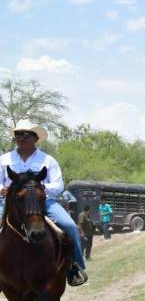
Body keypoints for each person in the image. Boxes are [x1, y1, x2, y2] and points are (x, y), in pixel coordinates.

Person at [0, 119, 88, 285]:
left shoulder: (48, 160)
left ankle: (75, 267)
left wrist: (38, 191)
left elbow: (58, 184)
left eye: (25, 135)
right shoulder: (4, 159)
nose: (21, 138)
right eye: (17, 135)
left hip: (44, 202)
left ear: (35, 138)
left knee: (69, 226)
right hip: (11, 204)